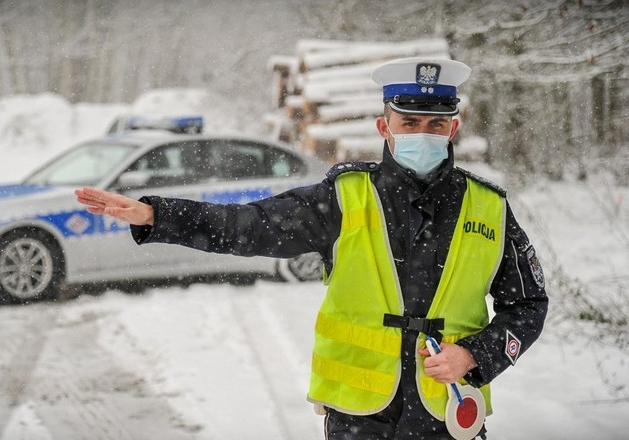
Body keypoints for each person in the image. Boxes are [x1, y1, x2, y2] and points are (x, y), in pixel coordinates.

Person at [75, 57, 548, 439]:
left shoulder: (490, 208)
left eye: (435, 123)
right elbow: (247, 225)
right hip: (359, 418)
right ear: (384, 127)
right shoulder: (344, 197)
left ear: (453, 128)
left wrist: (474, 355)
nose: (423, 133)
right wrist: (158, 215)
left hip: (449, 414)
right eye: (409, 121)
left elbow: (528, 305)